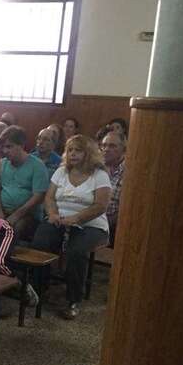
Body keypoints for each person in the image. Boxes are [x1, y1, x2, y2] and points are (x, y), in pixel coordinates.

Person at [31, 135, 111, 320]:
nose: (73, 154)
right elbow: (49, 197)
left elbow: (101, 205)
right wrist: (52, 214)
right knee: (41, 241)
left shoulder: (99, 175)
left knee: (77, 251)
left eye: (78, 150)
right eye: (70, 150)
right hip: (60, 219)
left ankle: (73, 299)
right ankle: (39, 288)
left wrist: (76, 218)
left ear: (88, 153)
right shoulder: (61, 172)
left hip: (91, 224)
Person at [0, 125, 49, 241]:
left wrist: (16, 215)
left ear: (22, 145)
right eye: (3, 147)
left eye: (9, 146)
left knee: (12, 230)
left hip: (27, 215)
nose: (5, 151)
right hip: (2, 211)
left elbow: (38, 197)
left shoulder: (37, 166)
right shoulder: (2, 163)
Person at [101, 131, 126, 246]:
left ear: (123, 149)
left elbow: (125, 209)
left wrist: (104, 223)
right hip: (93, 219)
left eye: (112, 146)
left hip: (117, 225)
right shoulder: (96, 168)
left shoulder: (131, 170)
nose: (106, 149)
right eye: (104, 145)